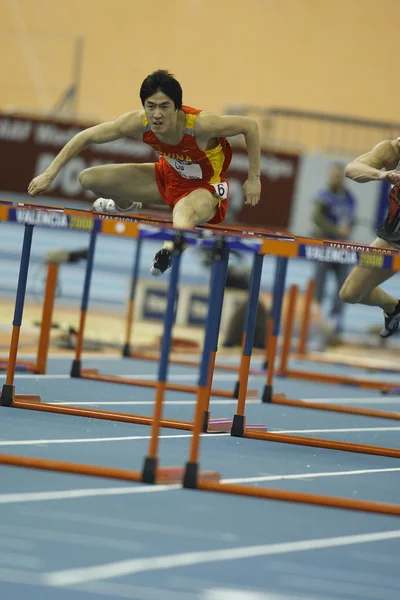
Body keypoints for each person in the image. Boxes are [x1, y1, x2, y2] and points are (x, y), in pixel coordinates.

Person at [27, 70, 261, 276]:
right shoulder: (139, 123)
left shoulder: (201, 125)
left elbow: (249, 126)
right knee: (87, 178)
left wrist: (254, 178)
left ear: (177, 107)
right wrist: (50, 174)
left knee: (184, 212)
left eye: (164, 106)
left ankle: (170, 248)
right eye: (151, 106)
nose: (157, 114)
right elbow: (86, 137)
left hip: (204, 191)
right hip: (165, 179)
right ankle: (124, 205)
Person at [339, 137, 400, 337]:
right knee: (350, 293)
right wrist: (382, 175)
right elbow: (352, 169)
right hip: (393, 240)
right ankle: (394, 307)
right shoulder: (393, 149)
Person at [312, 163, 357, 334]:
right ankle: (314, 320)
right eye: (332, 176)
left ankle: (335, 322)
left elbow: (351, 219)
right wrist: (336, 230)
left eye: (338, 176)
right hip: (324, 247)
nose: (335, 178)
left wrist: (346, 230)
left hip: (343, 249)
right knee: (319, 288)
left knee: (344, 287)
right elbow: (317, 218)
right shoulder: (323, 196)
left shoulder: (350, 198)